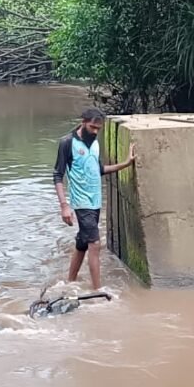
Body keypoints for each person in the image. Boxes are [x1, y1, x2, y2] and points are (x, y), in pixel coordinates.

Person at [52, 108, 136, 291]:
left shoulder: (95, 143)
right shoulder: (67, 143)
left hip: (95, 201)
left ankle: (70, 283)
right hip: (81, 203)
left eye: (99, 128)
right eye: (92, 127)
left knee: (82, 243)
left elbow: (99, 170)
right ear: (83, 122)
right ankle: (98, 291)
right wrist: (64, 206)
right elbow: (58, 175)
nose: (95, 131)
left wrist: (126, 163)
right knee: (95, 244)